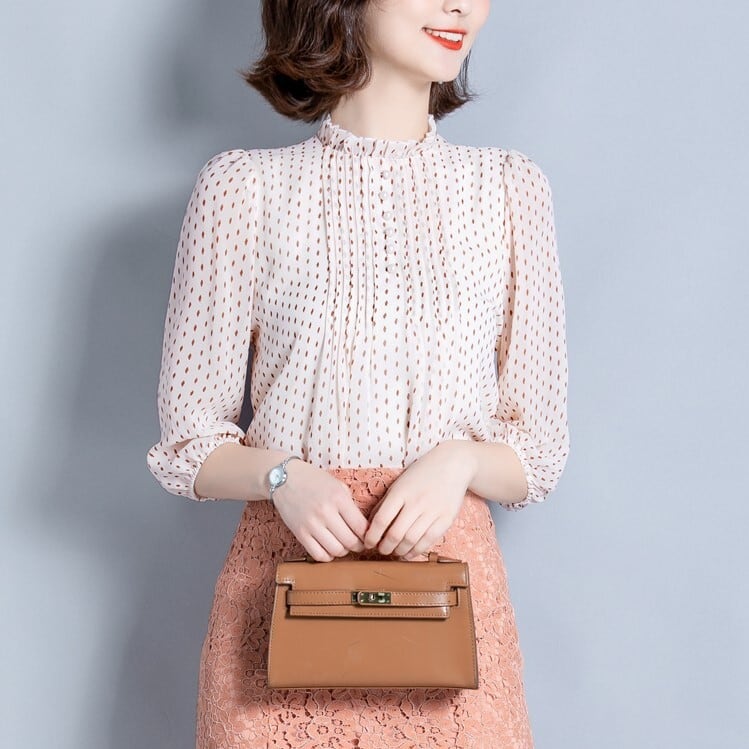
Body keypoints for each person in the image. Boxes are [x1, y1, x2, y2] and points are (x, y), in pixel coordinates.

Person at [145, 0, 570, 746]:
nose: (461, 5)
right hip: (283, 596)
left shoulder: (508, 189)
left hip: (448, 602)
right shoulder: (243, 189)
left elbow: (538, 450)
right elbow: (188, 443)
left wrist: (459, 460)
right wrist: (282, 476)